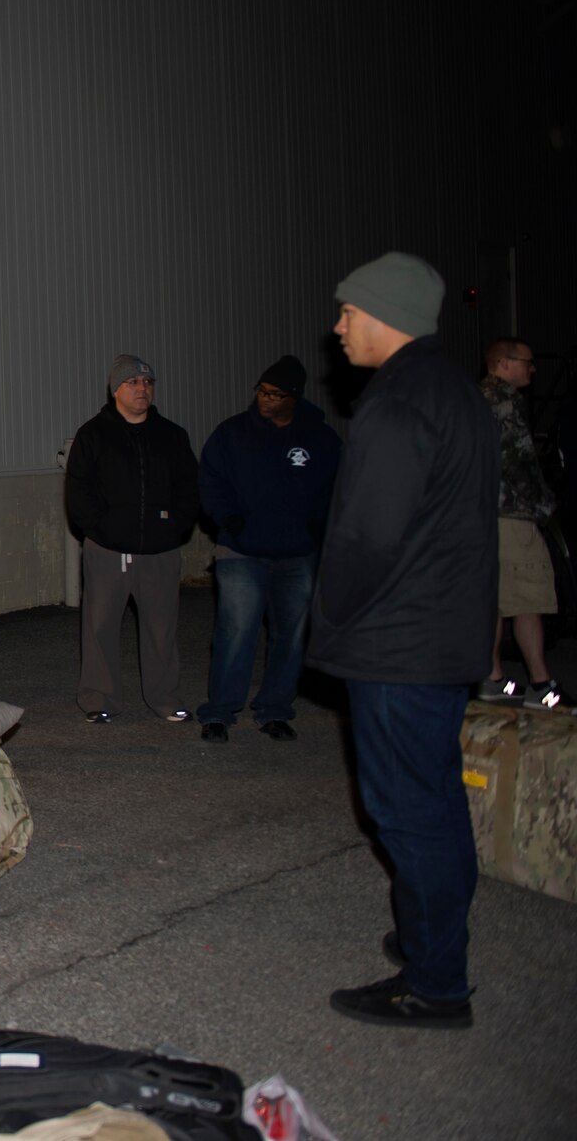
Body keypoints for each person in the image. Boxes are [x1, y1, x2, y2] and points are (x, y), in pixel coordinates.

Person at [310, 251, 495, 1029]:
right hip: (444, 636)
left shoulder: (395, 405)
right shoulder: (455, 391)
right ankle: (430, 935)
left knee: (408, 812)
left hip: (398, 644)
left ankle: (435, 984)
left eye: (347, 312)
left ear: (383, 315)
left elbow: (366, 537)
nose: (338, 326)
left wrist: (332, 615)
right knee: (438, 804)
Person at [194, 355, 342, 742]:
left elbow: (339, 487)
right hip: (242, 549)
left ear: (294, 396)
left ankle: (275, 708)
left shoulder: (320, 439)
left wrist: (318, 524)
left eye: (275, 394)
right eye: (261, 391)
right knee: (236, 629)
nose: (265, 399)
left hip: (297, 551)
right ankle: (220, 712)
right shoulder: (233, 433)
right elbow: (210, 478)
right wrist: (228, 518)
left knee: (291, 633)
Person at [65, 354, 199, 723]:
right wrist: (104, 531)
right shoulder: (94, 435)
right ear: (115, 390)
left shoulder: (171, 436)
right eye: (133, 383)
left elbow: (188, 488)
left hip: (160, 551)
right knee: (100, 626)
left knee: (161, 628)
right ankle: (99, 699)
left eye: (148, 383)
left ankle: (164, 697)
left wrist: (175, 528)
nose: (142, 389)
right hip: (108, 550)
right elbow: (80, 493)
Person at [479, 337, 561, 706]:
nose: (533, 367)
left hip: (480, 515)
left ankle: (492, 678)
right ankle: (541, 685)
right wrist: (544, 506)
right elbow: (519, 462)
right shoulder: (505, 401)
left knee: (494, 597)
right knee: (528, 597)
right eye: (527, 361)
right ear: (504, 363)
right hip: (511, 515)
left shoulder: (474, 397)